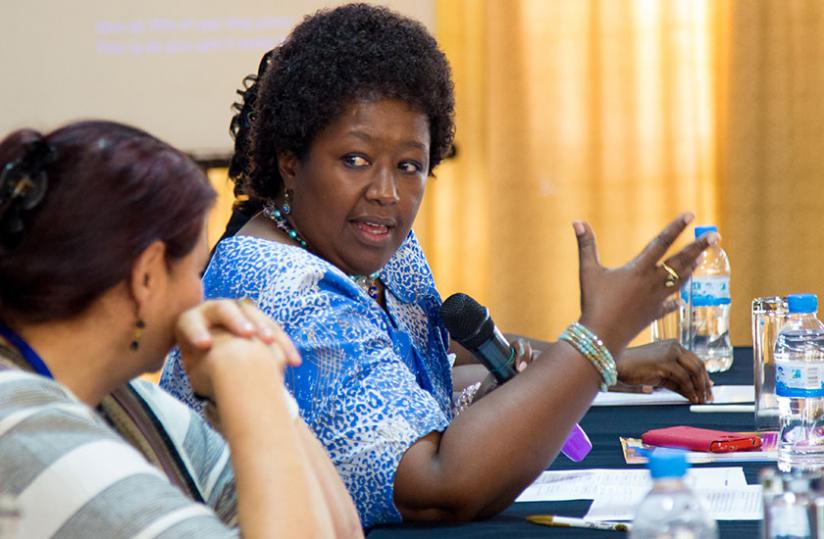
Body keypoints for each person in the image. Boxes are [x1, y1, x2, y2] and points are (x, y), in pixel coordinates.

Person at [160, 3, 716, 529]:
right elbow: (438, 486)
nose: (386, 191)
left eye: (409, 165)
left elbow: (421, 359)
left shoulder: (369, 243)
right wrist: (597, 340)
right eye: (355, 160)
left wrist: (601, 360)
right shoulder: (283, 290)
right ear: (290, 162)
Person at [0, 121, 361, 538]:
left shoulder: (128, 399)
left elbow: (340, 530)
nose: (203, 295)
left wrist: (266, 391)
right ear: (147, 276)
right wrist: (251, 389)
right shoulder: (22, 429)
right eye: (196, 271)